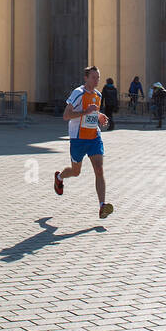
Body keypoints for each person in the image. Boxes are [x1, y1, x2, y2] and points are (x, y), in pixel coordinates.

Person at [54, 66, 114, 220]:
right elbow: (66, 116)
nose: (96, 80)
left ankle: (102, 206)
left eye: (98, 77)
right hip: (78, 139)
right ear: (86, 78)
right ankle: (59, 177)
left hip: (94, 137)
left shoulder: (98, 95)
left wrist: (100, 116)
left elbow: (93, 112)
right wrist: (85, 112)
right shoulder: (78, 93)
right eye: (93, 77)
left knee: (99, 169)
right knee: (76, 172)